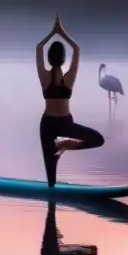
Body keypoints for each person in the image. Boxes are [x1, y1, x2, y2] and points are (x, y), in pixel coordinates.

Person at [36, 14, 104, 188]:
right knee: (98, 140)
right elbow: (76, 49)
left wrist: (53, 33)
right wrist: (61, 32)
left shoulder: (45, 77)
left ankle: (64, 145)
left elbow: (39, 47)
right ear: (63, 59)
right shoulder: (69, 78)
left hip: (55, 124)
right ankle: (61, 147)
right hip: (53, 126)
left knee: (51, 179)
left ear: (50, 58)